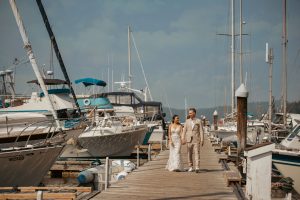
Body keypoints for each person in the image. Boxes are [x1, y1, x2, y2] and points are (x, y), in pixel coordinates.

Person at [182, 108, 204, 173]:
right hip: (189, 139)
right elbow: (184, 130)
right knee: (189, 154)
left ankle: (197, 167)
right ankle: (190, 166)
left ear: (194, 113)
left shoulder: (198, 121)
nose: (189, 114)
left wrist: (202, 140)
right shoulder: (187, 121)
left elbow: (201, 131)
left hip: (196, 139)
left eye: (191, 113)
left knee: (197, 153)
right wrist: (183, 138)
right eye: (189, 113)